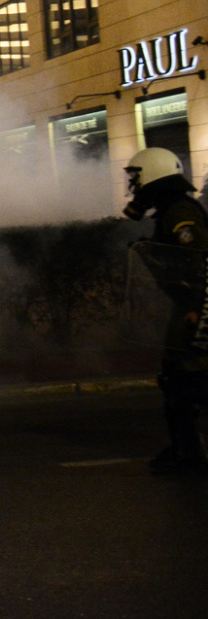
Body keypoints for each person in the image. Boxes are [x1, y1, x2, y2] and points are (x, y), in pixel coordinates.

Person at [123, 147, 208, 475]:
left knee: (185, 380)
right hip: (190, 308)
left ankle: (188, 454)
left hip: (195, 310)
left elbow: (196, 261)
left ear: (154, 173)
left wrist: (195, 310)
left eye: (137, 177)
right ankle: (186, 449)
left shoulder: (180, 212)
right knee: (181, 379)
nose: (134, 185)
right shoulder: (172, 209)